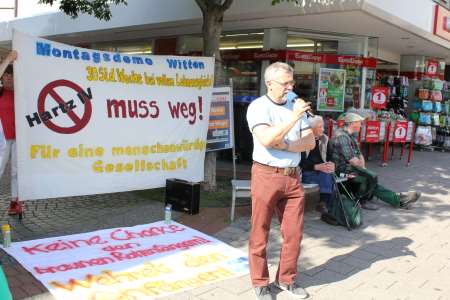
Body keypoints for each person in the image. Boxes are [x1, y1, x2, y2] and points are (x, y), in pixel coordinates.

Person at [246, 62, 315, 300]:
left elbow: (310, 142)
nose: (290, 87)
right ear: (269, 83)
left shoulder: (294, 106)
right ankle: (260, 282)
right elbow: (266, 138)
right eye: (285, 83)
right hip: (266, 175)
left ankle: (286, 279)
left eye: (291, 82)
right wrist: (294, 118)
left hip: (293, 177)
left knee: (294, 233)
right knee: (260, 231)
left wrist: (285, 144)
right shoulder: (258, 107)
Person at [330, 112, 420, 210]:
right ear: (352, 123)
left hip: (349, 167)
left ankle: (398, 199)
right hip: (340, 170)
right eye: (360, 122)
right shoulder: (342, 136)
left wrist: (363, 168)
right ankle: (364, 200)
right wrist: (363, 170)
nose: (361, 124)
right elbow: (352, 160)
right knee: (368, 178)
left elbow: (359, 154)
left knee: (369, 177)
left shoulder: (351, 135)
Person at [0, 50, 21, 216]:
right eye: (5, 75)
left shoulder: (22, 94)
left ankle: (15, 201)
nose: (7, 77)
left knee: (16, 171)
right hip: (2, 140)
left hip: (19, 139)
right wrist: (8, 60)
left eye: (10, 75)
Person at [300, 115, 335, 214]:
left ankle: (324, 204)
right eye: (320, 127)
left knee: (327, 173)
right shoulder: (303, 140)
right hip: (307, 172)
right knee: (327, 176)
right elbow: (300, 162)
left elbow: (331, 157)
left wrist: (331, 164)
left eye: (323, 126)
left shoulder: (325, 139)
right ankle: (325, 204)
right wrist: (315, 167)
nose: (323, 129)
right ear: (312, 128)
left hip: (322, 171)